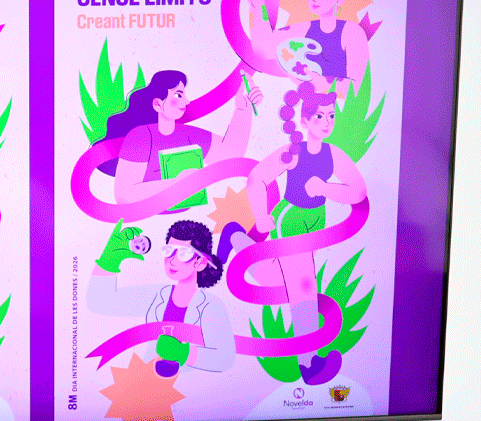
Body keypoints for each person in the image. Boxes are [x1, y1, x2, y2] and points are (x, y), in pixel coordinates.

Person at [227, 80, 367, 384]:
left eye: (331, 116)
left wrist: (326, 189)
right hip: (291, 220)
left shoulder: (333, 154)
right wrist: (261, 217)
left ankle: (235, 238)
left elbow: (358, 190)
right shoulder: (293, 152)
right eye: (319, 116)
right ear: (304, 121)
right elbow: (256, 178)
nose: (327, 122)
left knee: (278, 281)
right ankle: (309, 363)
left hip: (315, 222)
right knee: (303, 285)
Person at [88, 219, 236, 377]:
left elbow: (225, 358)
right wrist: (108, 262)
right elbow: (100, 302)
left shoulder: (211, 306)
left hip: (191, 386)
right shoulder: (157, 296)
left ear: (200, 262)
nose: (172, 260)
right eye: (169, 251)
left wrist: (184, 353)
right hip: (149, 383)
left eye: (183, 253)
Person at [106, 70, 261, 204]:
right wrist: (177, 183)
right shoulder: (141, 137)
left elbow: (230, 154)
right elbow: (124, 195)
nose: (186, 101)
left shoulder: (187, 134)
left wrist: (243, 110)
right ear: (158, 104)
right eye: (178, 95)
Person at [240, 0, 371, 97]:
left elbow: (360, 88)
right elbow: (264, 49)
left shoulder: (352, 32)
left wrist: (317, 82)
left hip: (339, 110)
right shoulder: (306, 28)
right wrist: (257, 4)